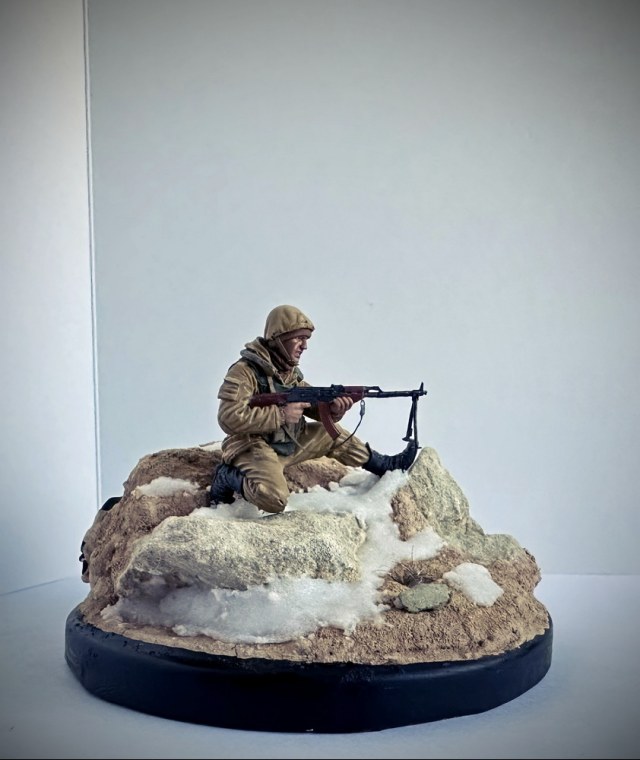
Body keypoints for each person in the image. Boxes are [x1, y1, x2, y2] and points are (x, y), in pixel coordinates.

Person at [209, 304, 418, 513]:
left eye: (306, 339)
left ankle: (384, 465)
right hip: (253, 446)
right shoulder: (244, 372)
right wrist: (281, 415)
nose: (304, 346)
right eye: (299, 338)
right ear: (279, 338)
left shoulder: (289, 373)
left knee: (331, 434)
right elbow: (228, 417)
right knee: (274, 499)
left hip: (288, 443)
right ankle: (227, 476)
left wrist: (334, 409)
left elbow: (313, 404)